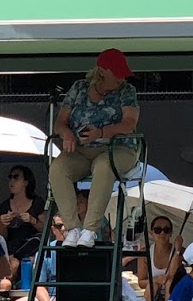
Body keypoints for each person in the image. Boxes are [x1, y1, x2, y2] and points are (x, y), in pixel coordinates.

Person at [50, 48, 141, 248]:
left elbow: (129, 124)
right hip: (81, 150)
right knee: (58, 169)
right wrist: (67, 134)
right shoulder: (79, 87)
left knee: (103, 166)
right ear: (101, 71)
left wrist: (101, 132)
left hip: (119, 148)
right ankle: (72, 228)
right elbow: (60, 123)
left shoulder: (127, 91)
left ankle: (90, 230)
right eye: (116, 73)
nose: (121, 78)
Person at [1, 163, 47, 275]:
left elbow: (46, 230)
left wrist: (32, 220)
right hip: (10, 247)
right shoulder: (4, 206)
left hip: (30, 247)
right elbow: (2, 236)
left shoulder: (37, 203)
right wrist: (2, 224)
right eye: (10, 177)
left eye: (16, 177)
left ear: (26, 182)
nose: (12, 181)